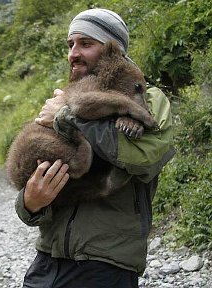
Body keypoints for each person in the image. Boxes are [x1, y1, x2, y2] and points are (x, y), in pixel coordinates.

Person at [15, 8, 175, 288]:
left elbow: (144, 158)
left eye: (86, 44)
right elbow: (34, 178)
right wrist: (29, 203)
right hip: (47, 260)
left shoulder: (147, 99)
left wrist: (66, 118)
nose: (73, 53)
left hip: (105, 265)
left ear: (114, 51)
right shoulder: (64, 98)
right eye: (70, 44)